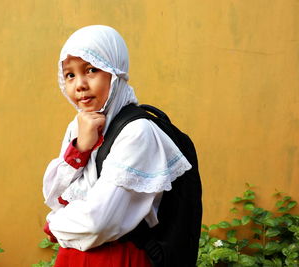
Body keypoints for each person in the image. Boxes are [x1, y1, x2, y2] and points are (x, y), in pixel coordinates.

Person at [42, 25, 192, 267]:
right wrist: (80, 149)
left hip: (117, 258)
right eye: (70, 75)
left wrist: (54, 224)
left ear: (115, 72)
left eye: (91, 70)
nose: (79, 84)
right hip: (73, 258)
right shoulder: (79, 126)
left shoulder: (138, 132)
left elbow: (99, 222)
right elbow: (54, 196)